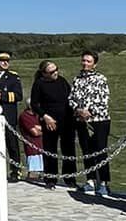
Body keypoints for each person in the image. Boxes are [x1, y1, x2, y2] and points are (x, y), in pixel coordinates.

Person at [69, 50, 112, 201]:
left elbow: (103, 99)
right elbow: (72, 98)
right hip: (81, 120)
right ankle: (90, 180)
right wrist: (78, 110)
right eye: (84, 61)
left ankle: (104, 183)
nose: (85, 63)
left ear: (95, 63)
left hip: (99, 120)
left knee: (100, 151)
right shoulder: (77, 79)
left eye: (88, 61)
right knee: (86, 150)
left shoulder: (101, 79)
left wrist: (90, 111)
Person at [31, 60, 75, 190]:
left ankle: (70, 178)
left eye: (56, 69)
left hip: (66, 119)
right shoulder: (39, 84)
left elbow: (70, 97)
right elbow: (35, 104)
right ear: (44, 73)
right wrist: (45, 116)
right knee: (50, 149)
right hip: (49, 120)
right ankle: (50, 178)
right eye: (51, 71)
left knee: (68, 148)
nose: (56, 73)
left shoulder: (62, 81)